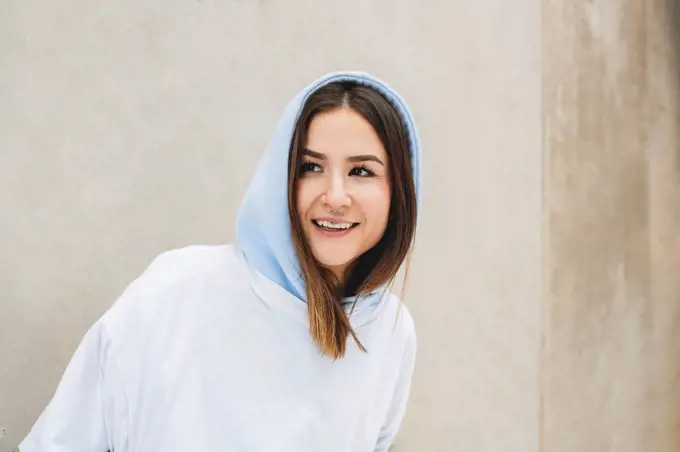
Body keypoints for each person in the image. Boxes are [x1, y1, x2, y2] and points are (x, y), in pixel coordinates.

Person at [19, 70, 422, 452]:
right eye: (311, 166)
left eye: (361, 171)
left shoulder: (391, 332)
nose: (335, 196)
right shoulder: (177, 291)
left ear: (398, 190)